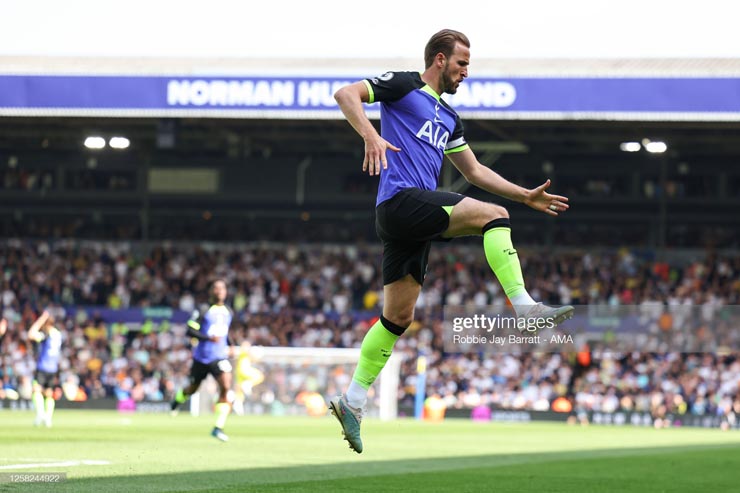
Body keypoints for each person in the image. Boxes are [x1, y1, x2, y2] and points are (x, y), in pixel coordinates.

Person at [329, 29, 574, 453]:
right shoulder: (405, 85)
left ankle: (352, 401)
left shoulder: (450, 118)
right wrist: (370, 134)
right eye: (461, 64)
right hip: (401, 202)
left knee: (398, 319)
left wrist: (526, 195)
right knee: (494, 216)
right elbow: (345, 93)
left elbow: (476, 172)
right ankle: (525, 306)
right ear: (440, 60)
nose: (465, 73)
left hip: (411, 221)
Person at [170, 279, 235, 442]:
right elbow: (190, 330)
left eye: (222, 288)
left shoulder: (228, 311)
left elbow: (225, 333)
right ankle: (179, 398)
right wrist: (207, 338)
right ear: (211, 291)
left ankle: (218, 427)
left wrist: (231, 344)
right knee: (193, 388)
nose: (220, 291)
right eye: (216, 288)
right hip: (202, 357)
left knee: (226, 386)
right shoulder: (203, 309)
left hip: (219, 356)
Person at [28, 310, 63, 427]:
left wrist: (41, 319)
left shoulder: (46, 334)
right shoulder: (58, 334)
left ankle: (40, 415)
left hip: (43, 366)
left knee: (36, 390)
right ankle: (48, 418)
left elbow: (31, 334)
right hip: (53, 368)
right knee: (49, 393)